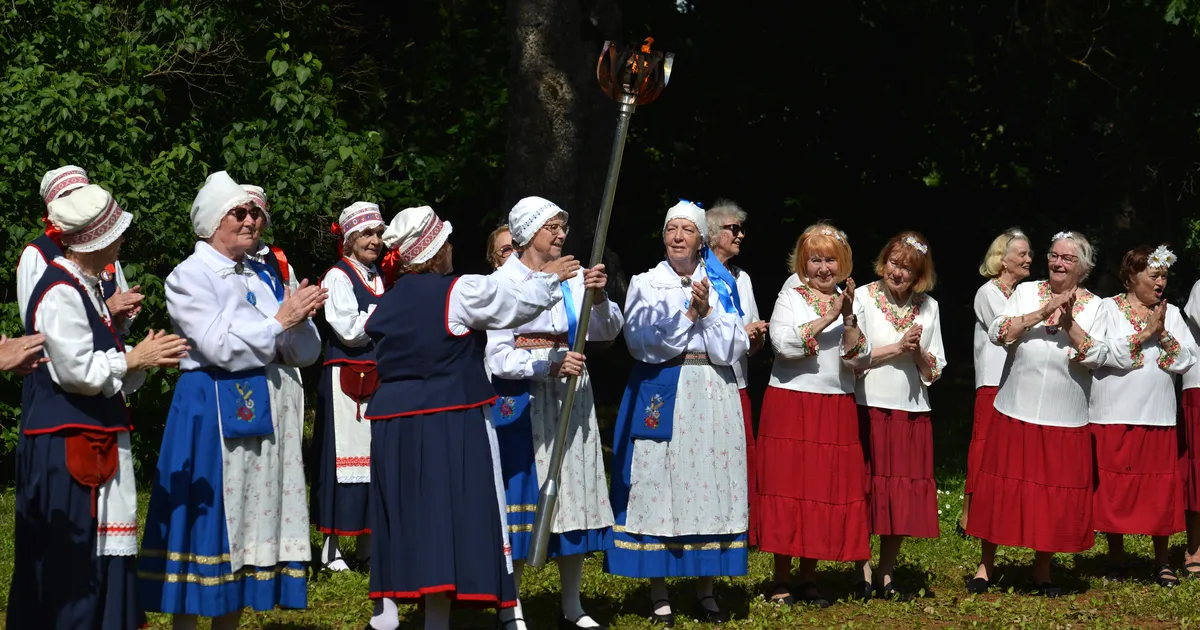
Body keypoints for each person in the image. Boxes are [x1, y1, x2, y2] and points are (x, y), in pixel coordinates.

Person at [361, 206, 579, 630]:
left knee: (401, 513)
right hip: (448, 417)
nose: (451, 249)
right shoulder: (457, 291)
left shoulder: (389, 300)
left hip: (393, 423)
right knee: (445, 514)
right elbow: (511, 306)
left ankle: (385, 616)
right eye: (446, 241)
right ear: (436, 249)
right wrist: (550, 277)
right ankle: (435, 622)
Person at [139, 171, 327, 629]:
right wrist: (280, 321)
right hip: (211, 408)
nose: (251, 220)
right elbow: (219, 345)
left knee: (247, 525)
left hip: (265, 404)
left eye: (254, 212)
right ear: (211, 222)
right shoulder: (189, 276)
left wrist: (298, 320)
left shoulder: (263, 272)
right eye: (238, 213)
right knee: (209, 523)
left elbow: (301, 353)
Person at [7, 184, 188, 629]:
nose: (123, 239)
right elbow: (77, 372)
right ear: (95, 239)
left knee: (98, 557)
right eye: (117, 232)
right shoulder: (60, 291)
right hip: (72, 448)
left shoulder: (83, 286)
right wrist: (130, 359)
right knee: (74, 565)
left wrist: (138, 358)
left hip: (94, 440)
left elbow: (98, 367)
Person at [606, 200, 750, 626]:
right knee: (659, 482)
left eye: (688, 230)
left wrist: (707, 312)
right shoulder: (647, 283)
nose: (678, 237)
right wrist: (691, 313)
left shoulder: (719, 282)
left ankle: (706, 589)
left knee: (710, 480)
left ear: (701, 239)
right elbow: (644, 343)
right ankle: (659, 590)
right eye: (672, 229)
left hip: (711, 390)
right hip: (664, 387)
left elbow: (732, 346)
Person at [487, 196, 622, 630]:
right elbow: (496, 357)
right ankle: (513, 606)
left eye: (563, 227)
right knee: (523, 499)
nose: (561, 235)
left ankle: (572, 603)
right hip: (523, 399)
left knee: (573, 492)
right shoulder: (503, 280)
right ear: (528, 233)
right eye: (552, 228)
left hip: (571, 390)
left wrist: (597, 299)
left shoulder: (573, 277)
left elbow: (605, 332)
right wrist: (545, 363)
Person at [967, 231, 1108, 596]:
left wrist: (1068, 325)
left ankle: (1042, 571)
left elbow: (1100, 357)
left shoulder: (1097, 306)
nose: (1058, 263)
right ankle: (986, 566)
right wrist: (1042, 312)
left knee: (1052, 495)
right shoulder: (1028, 291)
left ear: (1084, 267)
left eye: (1068, 259)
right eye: (1054, 256)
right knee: (1001, 486)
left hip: (1065, 416)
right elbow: (1000, 330)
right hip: (1015, 406)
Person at [756, 223, 870, 608]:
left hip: (835, 403)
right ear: (804, 263)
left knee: (821, 490)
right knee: (789, 490)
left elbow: (859, 360)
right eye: (815, 260)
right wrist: (829, 317)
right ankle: (780, 578)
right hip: (791, 402)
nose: (823, 268)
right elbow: (784, 344)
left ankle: (809, 576)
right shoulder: (791, 293)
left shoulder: (850, 300)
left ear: (842, 264)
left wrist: (849, 318)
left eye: (830, 260)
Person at [1091, 245, 1194, 586]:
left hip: (1158, 414)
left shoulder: (1172, 313)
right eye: (1153, 275)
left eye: (1164, 275)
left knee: (1158, 490)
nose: (1160, 282)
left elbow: (1185, 361)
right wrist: (1145, 334)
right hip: (1111, 411)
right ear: (1132, 276)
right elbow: (1097, 353)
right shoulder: (1105, 309)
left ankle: (1162, 561)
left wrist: (1161, 332)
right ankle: (1115, 558)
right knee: (1114, 488)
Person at [853, 231, 946, 599]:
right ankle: (861, 569)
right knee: (864, 491)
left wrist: (918, 351)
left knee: (900, 496)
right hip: (868, 404)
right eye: (894, 263)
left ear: (919, 274)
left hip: (911, 410)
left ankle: (886, 574)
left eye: (907, 268)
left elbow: (933, 370)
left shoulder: (930, 307)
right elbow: (854, 358)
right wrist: (897, 347)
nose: (897, 272)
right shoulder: (861, 296)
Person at [312, 201, 387, 572]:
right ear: (352, 237)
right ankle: (331, 547)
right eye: (367, 234)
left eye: (378, 234)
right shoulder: (338, 277)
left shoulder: (378, 277)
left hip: (375, 377)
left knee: (373, 459)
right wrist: (385, 313)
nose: (375, 241)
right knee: (339, 460)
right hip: (346, 378)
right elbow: (350, 331)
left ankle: (367, 544)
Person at [705, 199, 768, 547]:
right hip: (705, 379)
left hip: (737, 379)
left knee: (739, 456)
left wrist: (755, 338)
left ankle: (741, 526)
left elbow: (751, 338)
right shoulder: (698, 273)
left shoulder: (742, 278)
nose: (741, 235)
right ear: (713, 234)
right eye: (734, 228)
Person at [961, 228, 1032, 536]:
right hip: (993, 382)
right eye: (1023, 254)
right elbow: (1010, 333)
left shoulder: (1023, 295)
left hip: (1018, 381)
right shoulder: (988, 293)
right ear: (1003, 261)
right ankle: (967, 516)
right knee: (984, 447)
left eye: (1029, 254)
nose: (1030, 259)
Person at [18, 165, 142, 334]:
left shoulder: (103, 244)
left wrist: (121, 314)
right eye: (72, 197)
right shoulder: (37, 253)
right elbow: (39, 328)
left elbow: (117, 300)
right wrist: (107, 310)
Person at [243, 184, 297, 287]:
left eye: (254, 213)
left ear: (264, 221)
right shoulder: (218, 260)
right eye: (241, 215)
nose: (248, 222)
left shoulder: (279, 260)